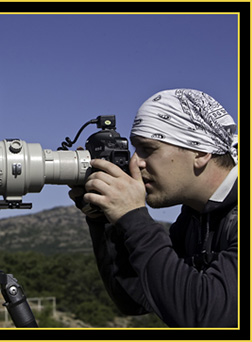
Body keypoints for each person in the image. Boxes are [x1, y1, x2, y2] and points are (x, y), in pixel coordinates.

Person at [69, 88, 238, 327]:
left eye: (148, 149)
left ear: (200, 151)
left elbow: (208, 317)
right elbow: (137, 299)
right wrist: (103, 218)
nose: (135, 162)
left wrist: (134, 218)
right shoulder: (196, 216)